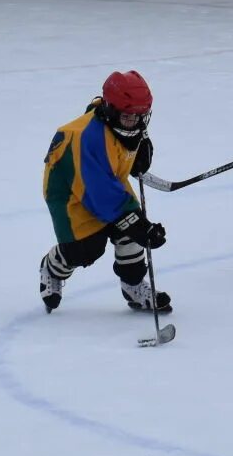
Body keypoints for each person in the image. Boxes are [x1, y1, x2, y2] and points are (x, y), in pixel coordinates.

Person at [40, 71, 169, 316]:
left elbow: (131, 136)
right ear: (111, 110)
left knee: (128, 230)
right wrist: (138, 225)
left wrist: (142, 148)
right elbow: (100, 195)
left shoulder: (125, 120)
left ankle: (133, 286)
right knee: (87, 248)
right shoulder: (85, 138)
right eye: (130, 117)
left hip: (107, 180)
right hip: (70, 190)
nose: (138, 123)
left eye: (142, 117)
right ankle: (52, 266)